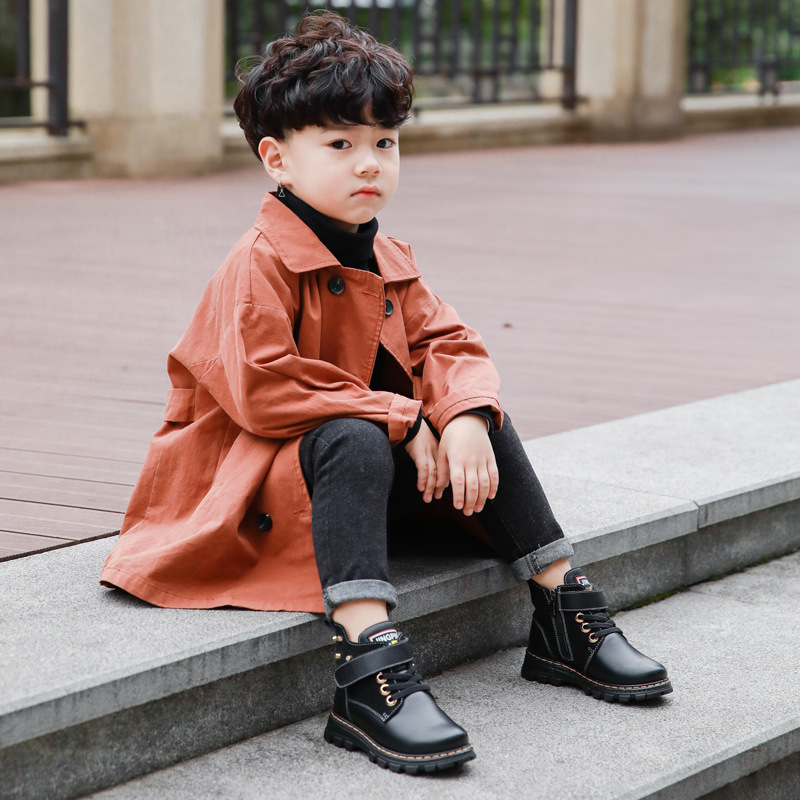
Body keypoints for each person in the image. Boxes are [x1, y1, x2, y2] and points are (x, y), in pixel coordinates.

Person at [100, 10, 671, 775]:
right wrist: (403, 417)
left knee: (479, 415)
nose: (368, 163)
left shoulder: (386, 252)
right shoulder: (259, 262)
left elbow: (449, 344)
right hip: (250, 497)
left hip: (354, 486)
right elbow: (266, 387)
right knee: (354, 432)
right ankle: (367, 669)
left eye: (384, 142)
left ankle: (565, 613)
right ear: (277, 158)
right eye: (340, 145)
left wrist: (460, 416)